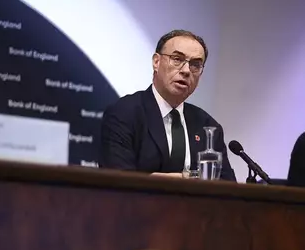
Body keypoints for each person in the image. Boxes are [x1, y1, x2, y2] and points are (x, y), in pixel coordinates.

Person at [99, 30, 236, 180]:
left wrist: (179, 177)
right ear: (156, 62)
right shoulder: (124, 114)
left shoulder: (207, 126)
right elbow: (119, 181)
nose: (186, 71)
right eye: (177, 59)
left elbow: (227, 188)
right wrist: (191, 178)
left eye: (195, 65)